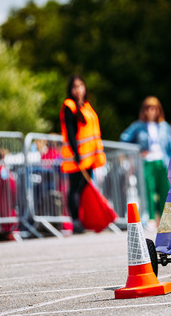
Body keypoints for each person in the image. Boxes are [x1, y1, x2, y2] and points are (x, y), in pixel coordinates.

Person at [60, 75, 106, 234]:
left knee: (83, 188)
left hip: (90, 157)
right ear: (70, 90)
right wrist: (76, 152)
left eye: (80, 86)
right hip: (77, 158)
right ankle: (75, 221)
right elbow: (70, 132)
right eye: (74, 87)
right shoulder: (69, 106)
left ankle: (85, 219)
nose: (78, 89)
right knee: (75, 189)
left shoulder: (86, 106)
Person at [120, 96, 171, 221]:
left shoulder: (164, 126)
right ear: (143, 110)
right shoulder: (138, 126)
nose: (151, 111)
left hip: (163, 162)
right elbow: (124, 138)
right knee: (148, 191)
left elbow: (170, 147)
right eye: (148, 108)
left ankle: (165, 219)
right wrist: (137, 150)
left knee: (165, 190)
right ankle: (150, 219)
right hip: (147, 162)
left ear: (158, 110)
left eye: (154, 108)